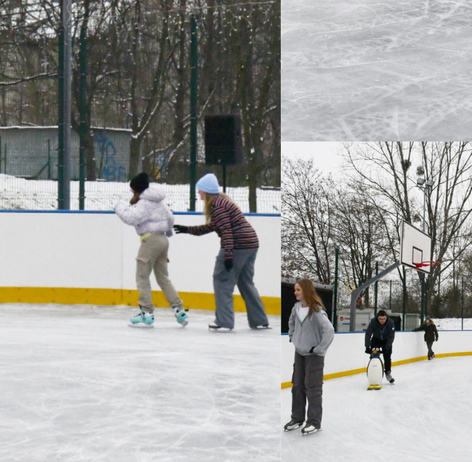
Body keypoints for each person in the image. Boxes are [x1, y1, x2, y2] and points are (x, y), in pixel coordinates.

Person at [173, 173, 269, 331]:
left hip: (238, 245)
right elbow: (212, 227)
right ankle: (259, 320)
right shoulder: (223, 202)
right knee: (246, 282)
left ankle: (224, 321)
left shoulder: (217, 206)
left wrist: (229, 256)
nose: (198, 193)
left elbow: (226, 231)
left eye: (200, 190)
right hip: (251, 243)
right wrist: (187, 230)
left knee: (222, 280)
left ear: (206, 191)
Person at [115, 172, 187, 327]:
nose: (131, 193)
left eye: (133, 190)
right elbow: (170, 218)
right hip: (162, 240)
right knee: (163, 277)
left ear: (138, 190)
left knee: (142, 276)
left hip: (150, 241)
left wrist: (119, 207)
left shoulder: (144, 203)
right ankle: (178, 309)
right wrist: (166, 232)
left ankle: (146, 312)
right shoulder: (158, 201)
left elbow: (131, 218)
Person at [285, 279, 334, 437]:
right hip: (300, 352)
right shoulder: (296, 308)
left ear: (306, 291)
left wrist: (320, 349)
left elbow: (329, 330)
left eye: (298, 290)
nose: (295, 292)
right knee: (297, 385)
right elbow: (291, 323)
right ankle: (297, 418)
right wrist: (293, 337)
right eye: (295, 290)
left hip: (314, 355)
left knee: (312, 387)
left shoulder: (316, 310)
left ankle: (314, 422)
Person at [364, 310, 396, 383]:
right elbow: (368, 334)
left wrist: (387, 347)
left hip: (386, 341)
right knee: (373, 356)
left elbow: (391, 336)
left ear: (386, 318)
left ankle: (388, 373)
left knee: (387, 357)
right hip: (376, 340)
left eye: (384, 319)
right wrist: (367, 346)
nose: (382, 321)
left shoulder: (390, 323)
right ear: (377, 318)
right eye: (380, 319)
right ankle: (373, 372)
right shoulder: (373, 322)